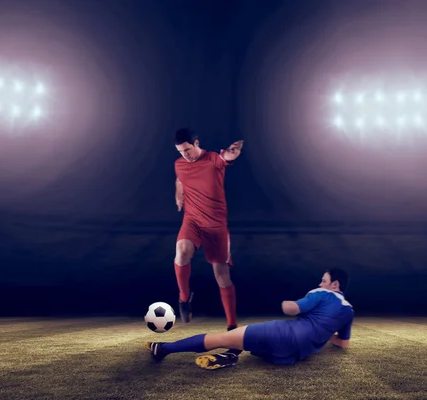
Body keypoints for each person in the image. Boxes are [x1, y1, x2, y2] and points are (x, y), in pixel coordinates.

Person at [147, 268, 354, 370]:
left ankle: (162, 349)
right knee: (245, 340)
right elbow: (343, 343)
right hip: (292, 356)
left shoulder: (322, 293)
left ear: (335, 284)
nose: (321, 282)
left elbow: (293, 308)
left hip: (284, 335)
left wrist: (281, 303)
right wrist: (326, 334)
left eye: (324, 280)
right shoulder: (349, 311)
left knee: (222, 337)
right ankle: (230, 356)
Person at [173, 128, 244, 336]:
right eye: (180, 151)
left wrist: (232, 153)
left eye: (187, 150)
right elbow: (179, 179)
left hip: (216, 226)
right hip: (192, 220)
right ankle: (184, 298)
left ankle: (232, 325)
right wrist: (179, 194)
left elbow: (226, 157)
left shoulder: (213, 159)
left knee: (221, 275)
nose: (184, 155)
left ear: (196, 143)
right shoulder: (179, 164)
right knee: (182, 250)